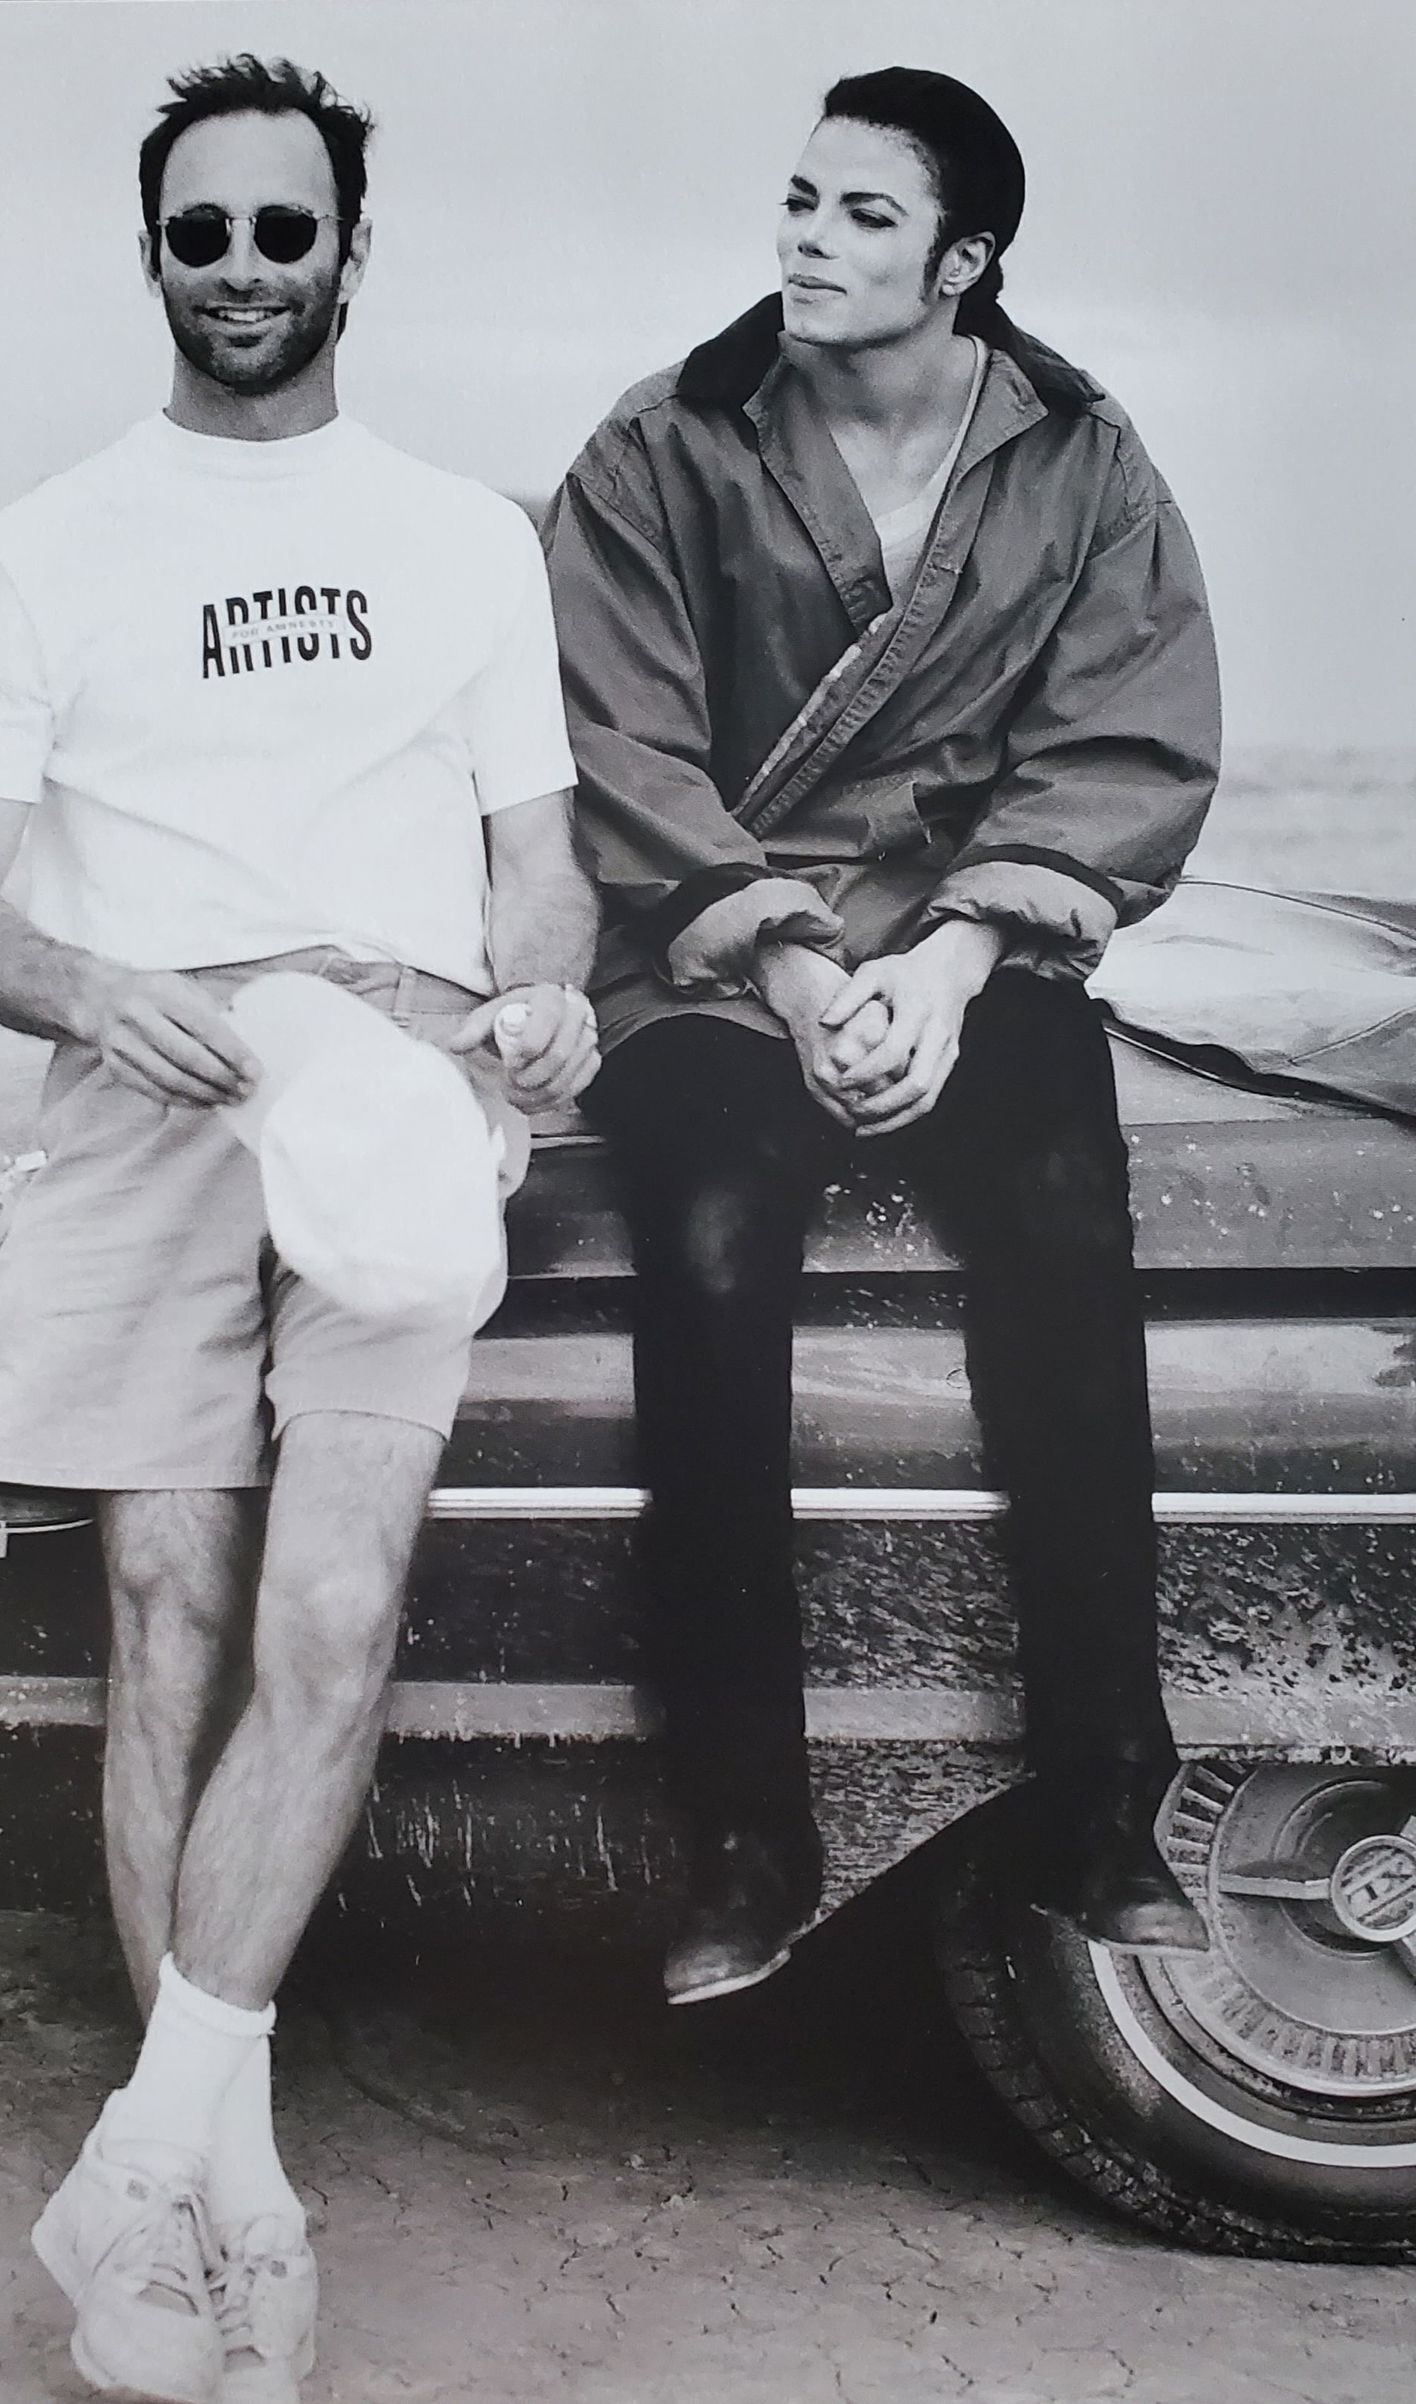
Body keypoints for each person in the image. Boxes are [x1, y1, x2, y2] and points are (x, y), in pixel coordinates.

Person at [0, 53, 597, 2404]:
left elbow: (535, 854)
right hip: (144, 1089)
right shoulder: (40, 542)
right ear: (152, 250)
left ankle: (150, 2155)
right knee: (167, 1617)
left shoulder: (467, 541)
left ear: (350, 253)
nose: (247, 270)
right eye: (206, 232)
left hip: (389, 1101)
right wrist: (105, 988)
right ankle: (220, 2180)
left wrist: (548, 985)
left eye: (288, 232)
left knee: (336, 1602)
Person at [544, 66, 1220, 2007]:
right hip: (703, 954)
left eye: (855, 214)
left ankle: (1099, 1799)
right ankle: (746, 1829)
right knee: (711, 1244)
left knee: (1059, 1221)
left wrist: (937, 966)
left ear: (963, 258)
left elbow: (1122, 736)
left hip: (965, 950)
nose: (802, 240)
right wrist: (779, 963)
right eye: (793, 199)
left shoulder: (1079, 458)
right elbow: (619, 737)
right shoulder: (663, 442)